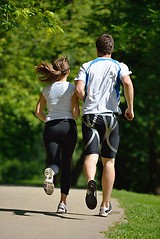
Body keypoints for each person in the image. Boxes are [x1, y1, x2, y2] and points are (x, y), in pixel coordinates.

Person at [74, 33, 134, 217]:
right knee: (109, 161)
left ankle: (91, 180)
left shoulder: (87, 65)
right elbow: (127, 83)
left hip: (90, 116)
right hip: (111, 117)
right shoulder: (119, 66)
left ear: (97, 49)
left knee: (91, 155)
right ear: (112, 49)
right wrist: (130, 108)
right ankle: (105, 205)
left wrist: (88, 100)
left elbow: (78, 89)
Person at [35, 57, 79, 214]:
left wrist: (47, 119)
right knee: (66, 165)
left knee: (54, 162)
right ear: (68, 72)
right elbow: (75, 113)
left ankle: (50, 173)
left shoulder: (46, 89)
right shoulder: (72, 88)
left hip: (51, 127)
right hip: (68, 126)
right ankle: (62, 204)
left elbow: (38, 111)